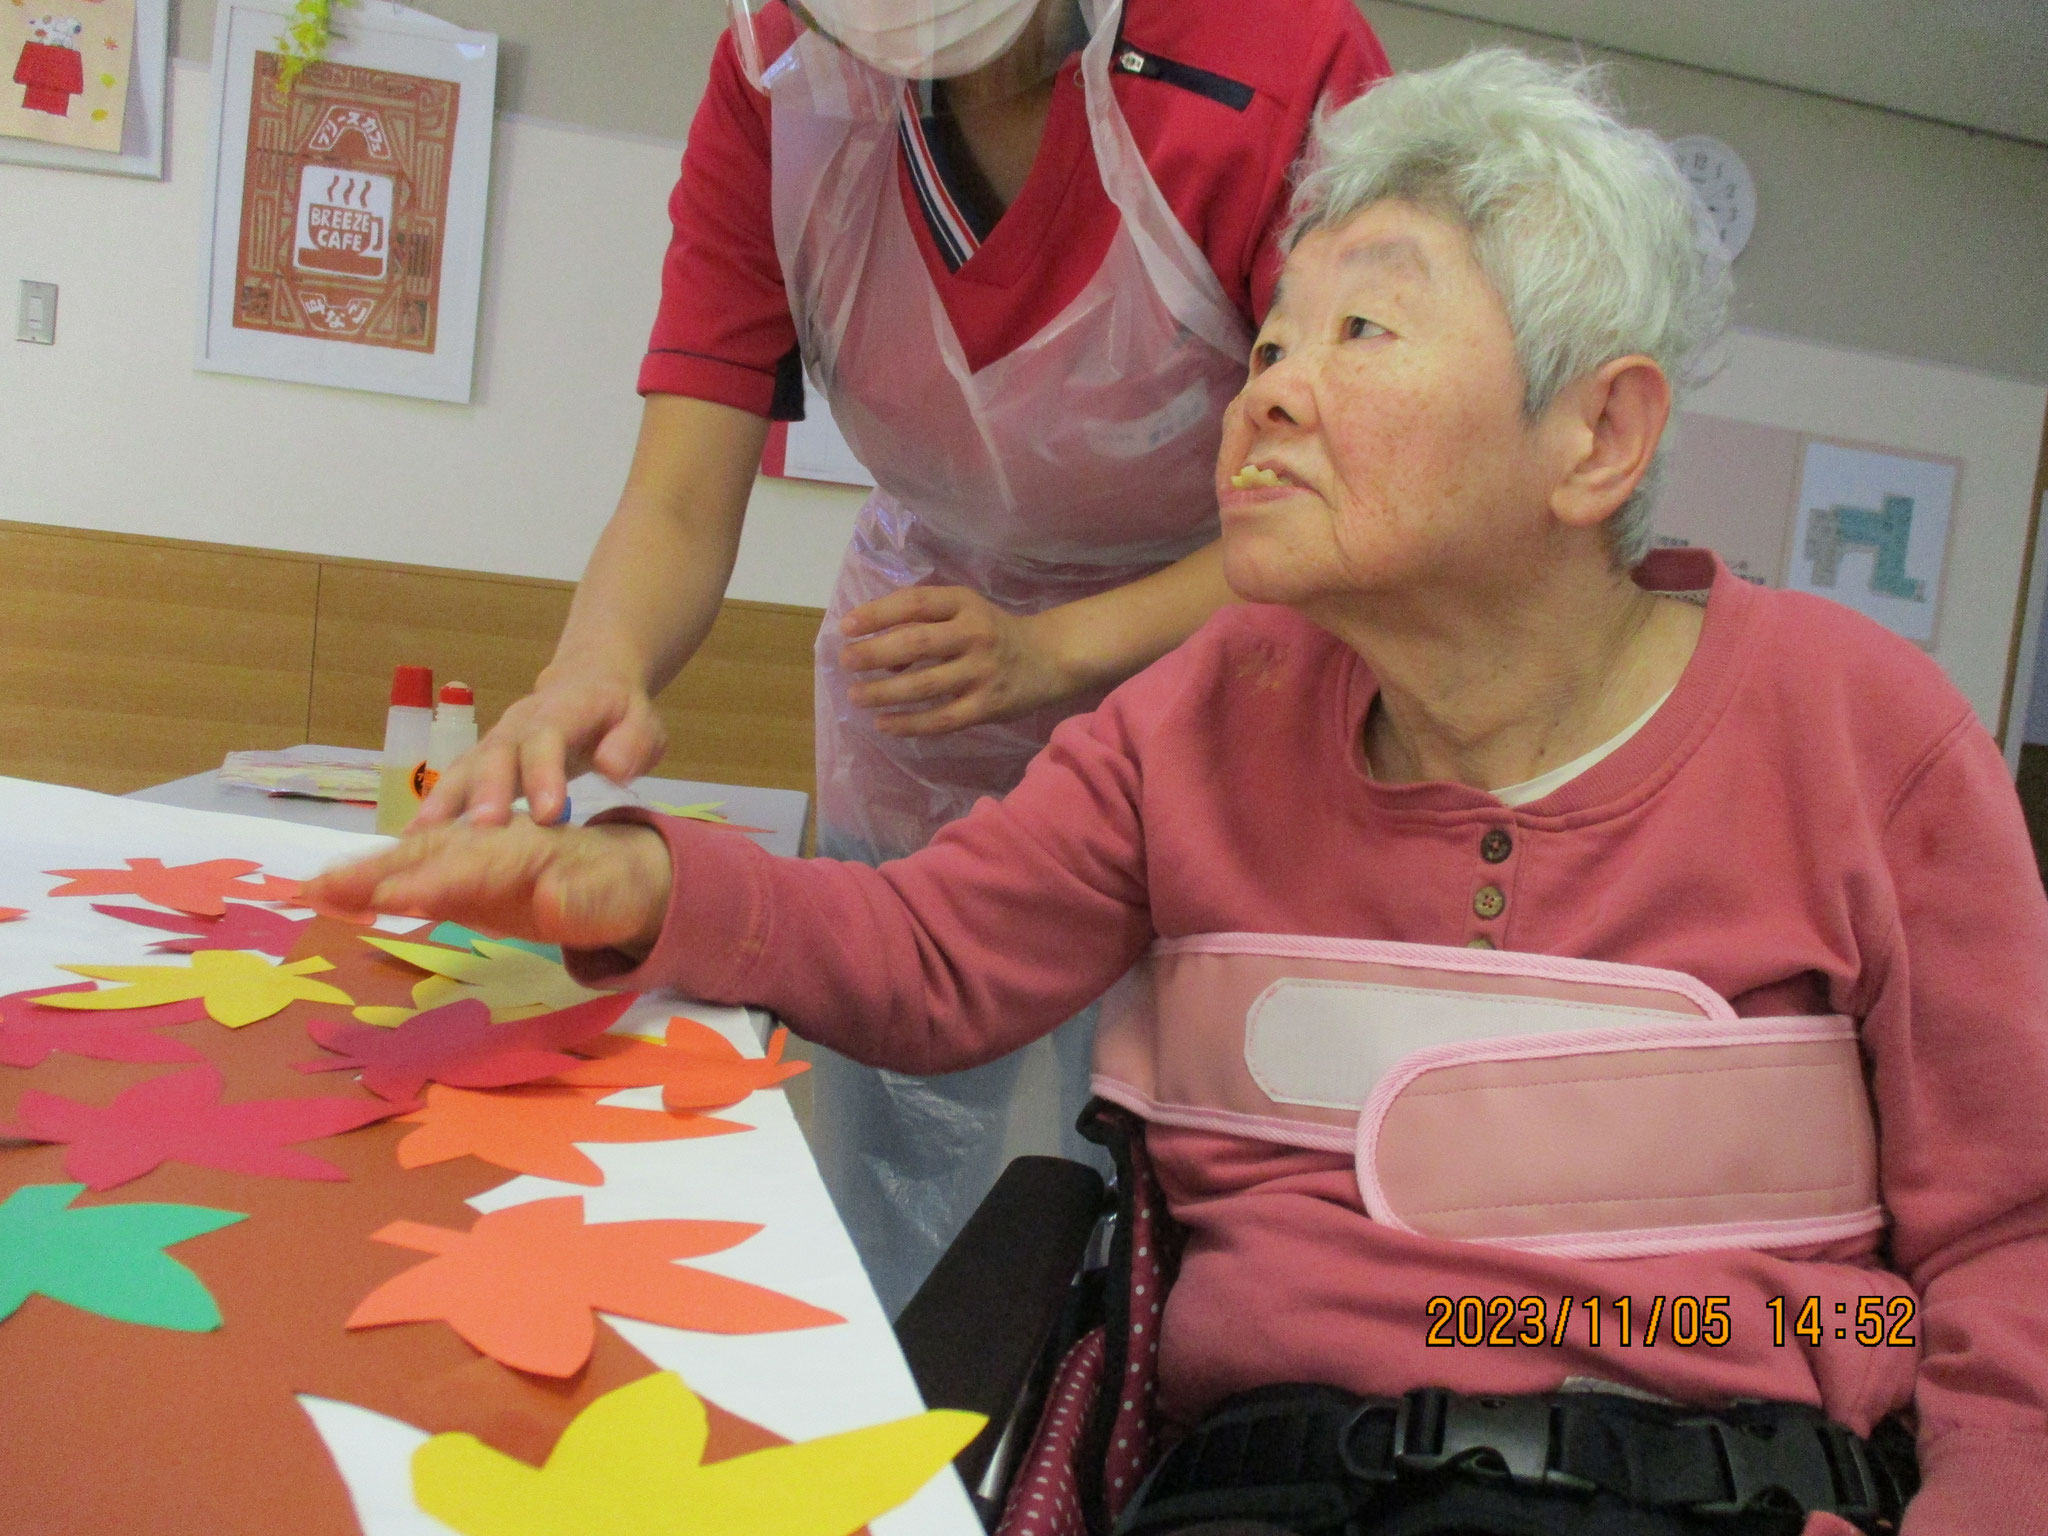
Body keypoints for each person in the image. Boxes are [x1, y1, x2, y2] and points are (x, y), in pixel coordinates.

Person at [308, 49, 2048, 1533]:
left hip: (1713, 1487)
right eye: (1269, 339)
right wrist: (648, 883)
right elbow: (930, 956)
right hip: (1266, 1482)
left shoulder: (1860, 734)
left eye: (1360, 330)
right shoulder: (1214, 708)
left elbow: (2015, 1241)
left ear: (1595, 439)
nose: (1267, 391)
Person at [413, 0, 1390, 1315]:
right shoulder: (777, 76)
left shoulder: (1277, 57)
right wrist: (599, 662)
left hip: (1233, 658)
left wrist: (1056, 650)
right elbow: (681, 494)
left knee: (1174, 1163)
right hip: (923, 664)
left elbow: (1351, 502)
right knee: (895, 1139)